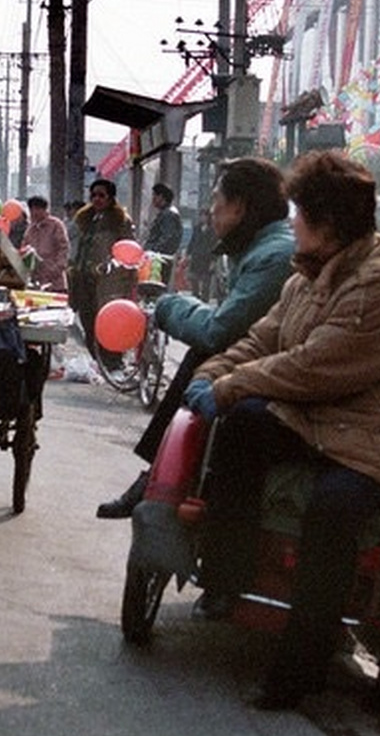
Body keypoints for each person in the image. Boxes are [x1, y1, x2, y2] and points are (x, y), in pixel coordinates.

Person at [185, 149, 380, 708]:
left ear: (327, 226)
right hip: (320, 417)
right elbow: (264, 340)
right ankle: (226, 578)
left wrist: (231, 385)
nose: (292, 222)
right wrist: (212, 375)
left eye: (301, 214)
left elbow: (312, 367)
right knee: (242, 426)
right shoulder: (309, 275)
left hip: (376, 435)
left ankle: (299, 670)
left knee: (332, 508)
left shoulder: (379, 288)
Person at [95, 158, 295, 518]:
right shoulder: (259, 248)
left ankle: (161, 476)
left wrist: (170, 307)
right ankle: (158, 470)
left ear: (240, 206)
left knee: (206, 359)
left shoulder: (275, 256)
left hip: (279, 371)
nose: (211, 210)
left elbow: (221, 329)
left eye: (216, 199)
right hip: (267, 357)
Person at [69, 178, 135, 364]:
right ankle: (96, 360)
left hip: (108, 281)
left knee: (107, 323)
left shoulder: (121, 221)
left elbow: (128, 251)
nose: (97, 199)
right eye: (93, 195)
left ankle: (112, 361)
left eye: (101, 195)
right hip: (83, 277)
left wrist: (113, 268)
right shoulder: (85, 219)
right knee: (87, 320)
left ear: (111, 198)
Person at [22, 195, 69, 291]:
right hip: (36, 281)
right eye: (32, 209)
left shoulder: (56, 225)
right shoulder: (30, 230)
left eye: (37, 209)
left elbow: (63, 248)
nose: (34, 212)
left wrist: (55, 269)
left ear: (45, 210)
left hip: (55, 282)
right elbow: (24, 250)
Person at [143, 182, 185, 272]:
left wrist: (152, 250)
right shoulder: (166, 213)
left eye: (155, 195)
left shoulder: (169, 214)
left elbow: (167, 238)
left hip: (159, 260)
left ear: (161, 197)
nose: (153, 199)